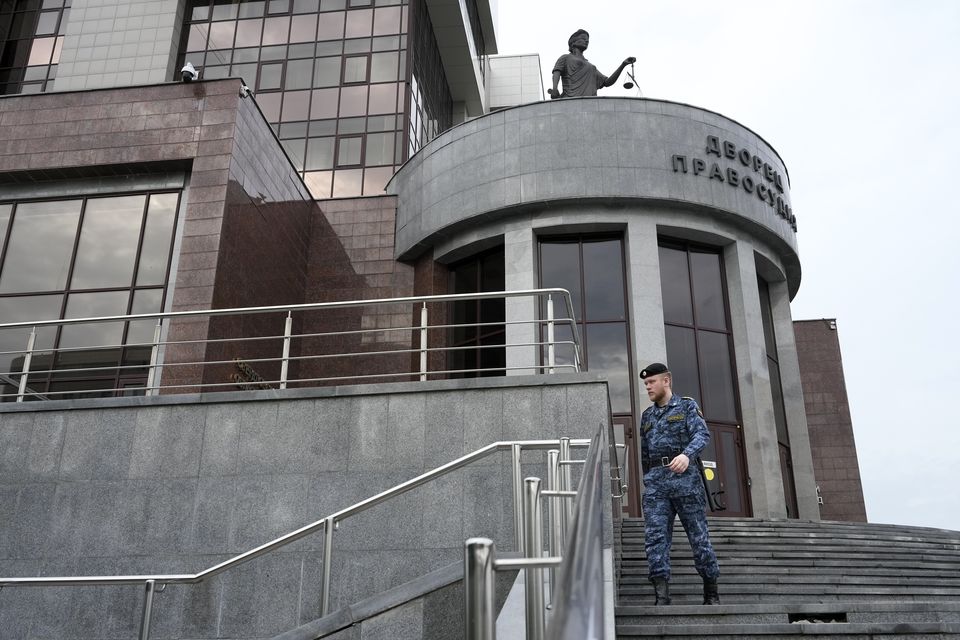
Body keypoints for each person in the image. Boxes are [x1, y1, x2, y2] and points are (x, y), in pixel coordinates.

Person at [638, 362, 720, 605]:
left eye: (652, 382)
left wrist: (687, 455)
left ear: (667, 381)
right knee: (655, 538)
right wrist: (648, 478)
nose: (648, 387)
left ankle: (711, 592)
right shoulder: (647, 417)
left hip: (686, 482)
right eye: (645, 383)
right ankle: (661, 596)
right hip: (656, 486)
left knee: (699, 538)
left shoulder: (686, 406)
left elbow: (702, 434)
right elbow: (645, 453)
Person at [548, 29, 635, 99]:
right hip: (571, 100)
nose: (586, 41)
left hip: (590, 103)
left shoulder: (591, 67)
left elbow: (607, 82)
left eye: (587, 40)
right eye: (583, 39)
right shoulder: (566, 57)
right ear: (573, 42)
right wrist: (555, 89)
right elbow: (557, 71)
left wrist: (623, 64)